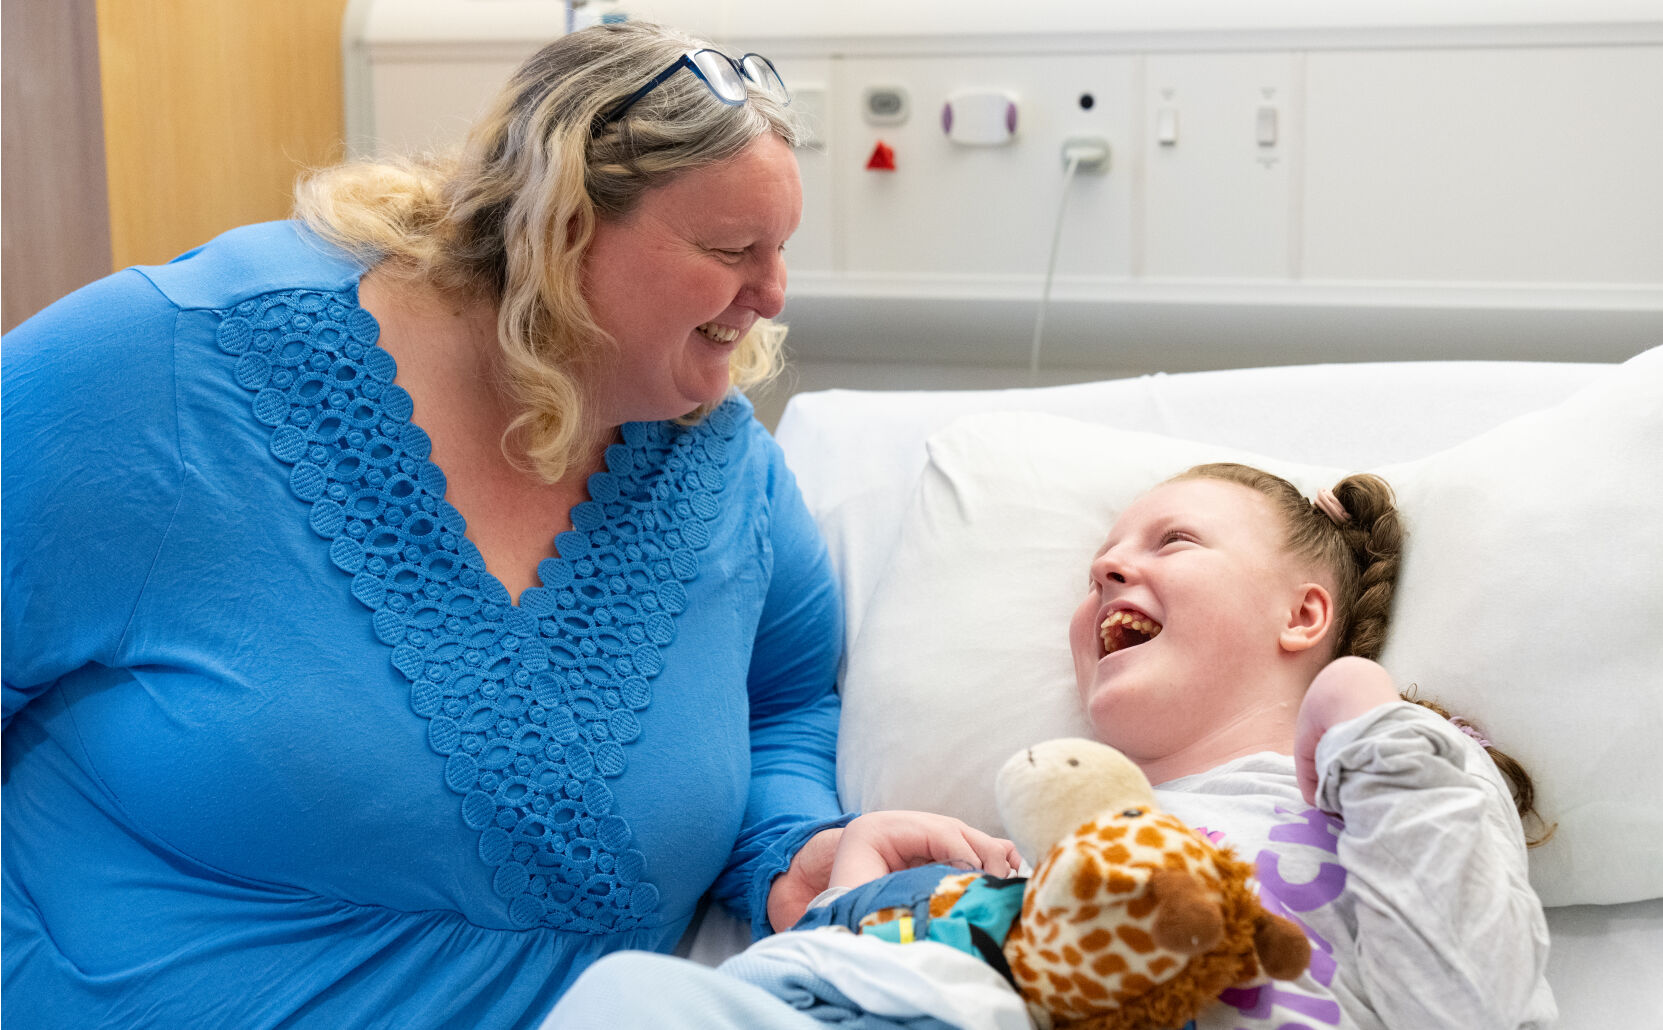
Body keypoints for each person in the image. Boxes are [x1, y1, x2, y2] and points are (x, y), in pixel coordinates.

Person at [1, 21, 1012, 1029]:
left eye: (781, 249)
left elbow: (785, 697)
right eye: (731, 251)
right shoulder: (167, 375)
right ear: (562, 230)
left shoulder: (717, 465)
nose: (773, 293)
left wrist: (795, 847)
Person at [702, 461, 1555, 1030]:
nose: (1107, 571)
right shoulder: (1052, 856)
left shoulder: (1398, 782)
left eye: (1173, 540)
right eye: (1096, 568)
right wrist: (853, 904)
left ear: (1303, 615)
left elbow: (1470, 1006)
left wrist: (1373, 720)